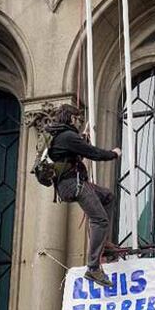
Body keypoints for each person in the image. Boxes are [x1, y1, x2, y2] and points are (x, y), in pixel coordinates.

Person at [47, 104, 121, 287]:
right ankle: (93, 267)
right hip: (74, 184)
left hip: (69, 185)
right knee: (100, 219)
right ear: (70, 118)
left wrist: (82, 140)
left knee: (107, 196)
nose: (79, 121)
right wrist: (113, 154)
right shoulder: (68, 136)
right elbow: (93, 153)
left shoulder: (59, 136)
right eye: (77, 118)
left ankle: (103, 241)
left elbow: (74, 153)